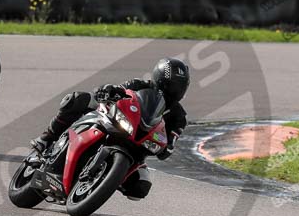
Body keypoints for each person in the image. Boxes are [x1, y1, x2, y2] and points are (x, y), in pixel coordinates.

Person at [31, 57, 190, 200]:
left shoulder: (179, 116)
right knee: (77, 99)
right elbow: (118, 89)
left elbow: (171, 141)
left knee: (141, 187)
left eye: (179, 87)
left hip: (137, 147)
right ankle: (45, 139)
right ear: (159, 78)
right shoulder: (140, 85)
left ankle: (107, 179)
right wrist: (109, 90)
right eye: (171, 85)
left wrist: (166, 147)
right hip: (115, 123)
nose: (174, 90)